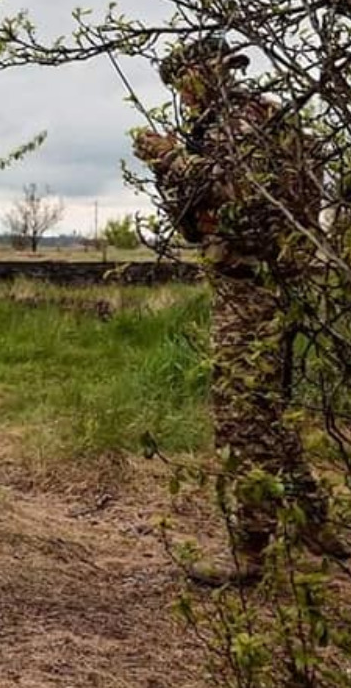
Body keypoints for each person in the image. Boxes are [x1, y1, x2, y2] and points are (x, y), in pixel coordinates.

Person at [133, 36, 344, 583]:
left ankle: (250, 555)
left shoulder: (236, 125)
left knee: (241, 420)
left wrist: (171, 158)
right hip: (269, 283)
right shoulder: (263, 118)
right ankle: (318, 528)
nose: (182, 97)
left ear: (206, 73)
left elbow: (230, 195)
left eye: (184, 83)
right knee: (264, 415)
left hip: (251, 287)